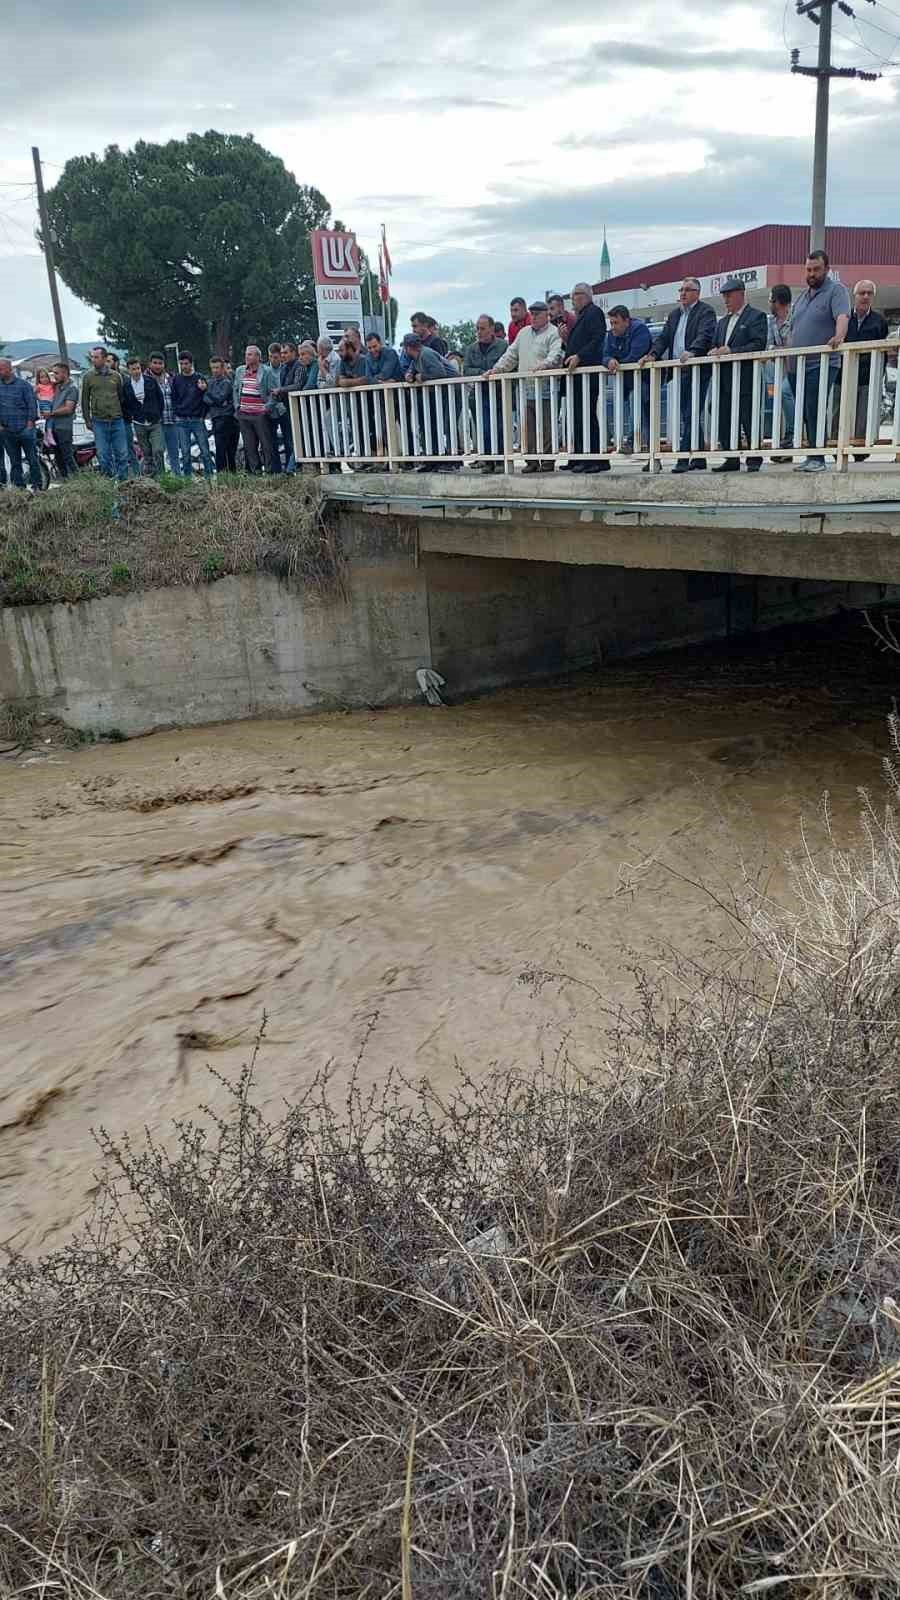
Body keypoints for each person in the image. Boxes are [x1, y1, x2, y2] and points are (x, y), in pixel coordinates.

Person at [641, 278, 716, 472]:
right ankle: (699, 459)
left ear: (697, 293)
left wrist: (692, 351)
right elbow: (664, 338)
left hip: (697, 369)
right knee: (687, 414)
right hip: (678, 371)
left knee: (692, 413)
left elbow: (705, 335)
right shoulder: (674, 315)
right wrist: (653, 355)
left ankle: (683, 458)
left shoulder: (705, 311)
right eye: (681, 289)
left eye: (687, 290)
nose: (682, 293)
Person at [788, 249, 850, 473]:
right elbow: (793, 328)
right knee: (804, 410)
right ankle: (811, 454)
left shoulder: (837, 291)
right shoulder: (803, 296)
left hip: (821, 364)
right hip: (797, 365)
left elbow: (842, 316)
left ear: (827, 270)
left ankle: (818, 458)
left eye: (816, 269)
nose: (811, 273)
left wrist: (839, 335)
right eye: (808, 269)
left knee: (815, 407)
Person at [490, 301, 563, 473]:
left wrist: (544, 366)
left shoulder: (554, 333)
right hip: (525, 388)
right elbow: (511, 355)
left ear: (547, 315)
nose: (535, 316)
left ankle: (547, 462)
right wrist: (496, 369)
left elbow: (556, 354)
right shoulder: (523, 333)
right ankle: (530, 461)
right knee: (527, 427)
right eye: (533, 313)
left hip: (546, 387)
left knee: (547, 426)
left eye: (538, 313)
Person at [709, 278, 768, 473]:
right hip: (724, 380)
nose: (726, 300)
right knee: (723, 416)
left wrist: (731, 351)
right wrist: (714, 351)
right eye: (724, 296)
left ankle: (753, 458)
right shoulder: (722, 322)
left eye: (729, 295)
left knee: (748, 417)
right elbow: (716, 344)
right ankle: (731, 456)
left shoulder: (756, 317)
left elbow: (758, 344)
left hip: (746, 377)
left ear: (741, 294)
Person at [560, 282, 608, 473]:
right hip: (577, 376)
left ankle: (595, 458)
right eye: (572, 295)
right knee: (576, 417)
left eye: (577, 295)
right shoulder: (581, 317)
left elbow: (597, 340)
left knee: (587, 416)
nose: (574, 299)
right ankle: (579, 456)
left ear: (587, 296)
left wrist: (579, 356)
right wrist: (566, 340)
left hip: (587, 374)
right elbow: (578, 344)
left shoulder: (593, 312)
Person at [402, 331, 461, 469]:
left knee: (448, 424)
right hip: (444, 393)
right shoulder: (416, 358)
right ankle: (434, 459)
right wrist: (409, 375)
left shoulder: (426, 354)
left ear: (409, 348)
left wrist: (422, 377)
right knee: (431, 425)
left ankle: (453, 461)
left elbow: (440, 373)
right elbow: (410, 371)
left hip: (454, 390)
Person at [845, 279, 889, 460]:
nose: (865, 296)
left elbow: (884, 352)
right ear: (854, 296)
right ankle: (836, 449)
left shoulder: (879, 321)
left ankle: (860, 453)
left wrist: (879, 374)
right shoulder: (844, 318)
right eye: (861, 293)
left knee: (863, 416)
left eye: (869, 293)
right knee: (838, 415)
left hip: (867, 377)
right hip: (844, 376)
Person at [602, 305, 652, 453]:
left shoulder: (639, 329)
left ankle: (631, 441)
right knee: (637, 408)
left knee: (636, 402)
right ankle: (638, 446)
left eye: (616, 323)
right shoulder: (611, 335)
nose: (613, 327)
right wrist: (609, 361)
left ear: (627, 321)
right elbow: (603, 354)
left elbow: (636, 356)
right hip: (627, 383)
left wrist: (618, 364)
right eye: (611, 323)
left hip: (646, 380)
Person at [463, 314, 507, 470]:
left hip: (499, 393)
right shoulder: (471, 349)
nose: (479, 332)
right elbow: (466, 370)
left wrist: (492, 373)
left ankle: (502, 460)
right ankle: (488, 461)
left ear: (491, 329)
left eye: (482, 328)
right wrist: (483, 372)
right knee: (484, 428)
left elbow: (509, 365)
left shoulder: (503, 346)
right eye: (477, 329)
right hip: (480, 394)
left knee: (500, 427)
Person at [81, 345, 129, 481]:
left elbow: (121, 397)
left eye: (96, 357)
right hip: (99, 422)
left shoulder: (116, 376)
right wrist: (87, 420)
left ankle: (123, 483)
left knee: (122, 454)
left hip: (117, 420)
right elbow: (84, 400)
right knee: (103, 455)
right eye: (92, 357)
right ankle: (109, 482)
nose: (93, 360)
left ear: (104, 358)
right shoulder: (88, 377)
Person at [232, 344, 279, 474]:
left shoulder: (267, 371)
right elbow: (235, 389)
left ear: (258, 357)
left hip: (260, 414)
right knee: (249, 445)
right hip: (244, 414)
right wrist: (237, 406)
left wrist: (266, 408)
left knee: (266, 444)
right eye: (246, 354)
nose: (247, 357)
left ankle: (270, 471)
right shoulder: (240, 370)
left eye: (250, 354)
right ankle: (255, 472)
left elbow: (274, 392)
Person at [0, 355, 43, 490]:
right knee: (14, 462)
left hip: (25, 429)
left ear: (9, 369)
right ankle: (19, 488)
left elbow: (32, 404)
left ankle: (37, 486)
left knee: (32, 459)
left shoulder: (23, 385)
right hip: (7, 430)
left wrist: (30, 423)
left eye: (1, 369)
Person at [171, 351, 213, 478]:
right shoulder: (176, 379)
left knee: (205, 451)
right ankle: (188, 480)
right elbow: (173, 398)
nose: (184, 366)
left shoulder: (199, 378)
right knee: (185, 452)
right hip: (181, 421)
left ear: (191, 364)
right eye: (182, 363)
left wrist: (203, 414)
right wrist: (177, 412)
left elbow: (206, 398)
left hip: (197, 419)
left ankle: (209, 478)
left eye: (186, 363)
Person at [123, 355, 166, 475]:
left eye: (138, 368)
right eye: (133, 369)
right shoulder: (126, 386)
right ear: (129, 370)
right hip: (139, 423)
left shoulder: (150, 381)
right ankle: (151, 476)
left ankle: (162, 476)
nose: (136, 371)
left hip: (154, 421)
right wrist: (131, 416)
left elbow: (160, 398)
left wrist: (158, 414)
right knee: (146, 452)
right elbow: (125, 404)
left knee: (158, 450)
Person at [767, 285, 795, 456]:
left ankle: (792, 432)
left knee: (784, 393)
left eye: (771, 300)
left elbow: (795, 344)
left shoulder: (796, 317)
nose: (769, 303)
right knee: (781, 395)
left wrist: (780, 348)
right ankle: (786, 440)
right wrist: (780, 348)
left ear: (777, 301)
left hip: (799, 367)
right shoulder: (770, 321)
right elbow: (769, 345)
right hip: (782, 370)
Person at [205, 356, 239, 472]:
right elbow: (206, 400)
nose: (215, 370)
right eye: (213, 368)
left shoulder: (227, 383)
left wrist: (209, 393)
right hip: (216, 419)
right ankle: (222, 477)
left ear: (223, 368)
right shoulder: (209, 382)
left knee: (230, 451)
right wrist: (216, 400)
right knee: (220, 450)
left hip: (228, 419)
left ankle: (232, 476)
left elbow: (220, 398)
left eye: (217, 368)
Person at [146, 353, 179, 473]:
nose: (157, 366)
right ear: (150, 364)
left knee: (174, 452)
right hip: (156, 423)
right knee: (158, 452)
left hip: (171, 419)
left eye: (160, 363)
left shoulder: (170, 377)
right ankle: (161, 478)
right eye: (155, 363)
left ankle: (178, 479)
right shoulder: (144, 379)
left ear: (164, 364)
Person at [47, 361, 79, 478]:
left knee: (67, 456)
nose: (54, 375)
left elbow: (68, 409)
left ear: (64, 374)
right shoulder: (57, 387)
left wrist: (51, 413)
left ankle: (78, 480)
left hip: (64, 427)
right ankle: (65, 480)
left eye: (56, 373)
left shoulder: (72, 388)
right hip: (54, 427)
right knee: (58, 456)